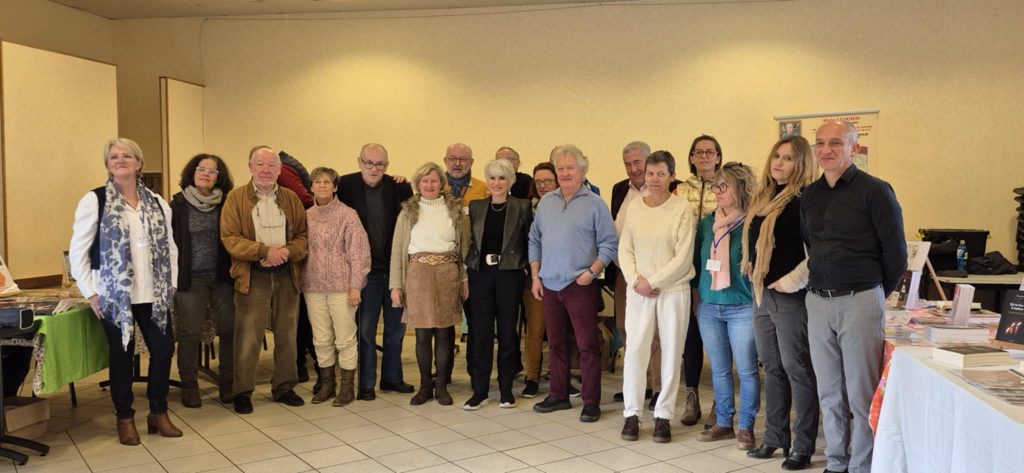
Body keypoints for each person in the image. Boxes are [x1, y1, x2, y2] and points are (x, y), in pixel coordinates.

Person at [801, 121, 907, 473]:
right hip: (817, 303)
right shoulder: (810, 196)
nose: (826, 149)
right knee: (829, 393)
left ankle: (861, 465)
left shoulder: (875, 191)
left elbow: (896, 254)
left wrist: (873, 294)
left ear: (853, 148)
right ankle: (836, 461)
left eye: (835, 143)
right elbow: (811, 247)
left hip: (860, 300)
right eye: (820, 143)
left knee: (861, 395)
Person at [69, 138, 180, 445]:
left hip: (153, 293)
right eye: (113, 157)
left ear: (138, 163)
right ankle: (125, 417)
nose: (119, 160)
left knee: (163, 350)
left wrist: (170, 285)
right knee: (122, 356)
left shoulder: (158, 202)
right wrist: (91, 293)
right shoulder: (95, 200)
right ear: (108, 165)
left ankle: (158, 412)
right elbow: (78, 250)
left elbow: (170, 248)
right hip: (114, 294)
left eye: (126, 156)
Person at [741, 136, 819, 470]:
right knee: (771, 368)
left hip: (791, 297)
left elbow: (818, 253)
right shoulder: (763, 197)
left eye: (787, 158)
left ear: (800, 164)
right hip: (761, 294)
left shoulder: (806, 201)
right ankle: (774, 438)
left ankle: (802, 446)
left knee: (797, 370)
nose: (779, 163)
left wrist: (790, 282)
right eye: (776, 156)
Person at [529, 144, 617, 423]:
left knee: (587, 345)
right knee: (555, 343)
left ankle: (591, 401)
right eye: (560, 168)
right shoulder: (546, 202)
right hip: (549, 285)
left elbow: (610, 244)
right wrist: (535, 275)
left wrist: (591, 272)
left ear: (582, 170)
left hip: (580, 285)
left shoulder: (595, 203)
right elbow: (534, 239)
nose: (565, 173)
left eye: (570, 167)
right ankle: (558, 394)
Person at [221, 145, 309, 415]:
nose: (266, 170)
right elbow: (230, 239)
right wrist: (264, 252)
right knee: (248, 337)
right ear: (250, 167)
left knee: (287, 334)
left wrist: (285, 252)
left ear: (280, 170)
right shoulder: (235, 199)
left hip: (286, 275)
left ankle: (284, 386)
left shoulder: (292, 198)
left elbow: (304, 237)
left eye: (271, 165)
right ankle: (243, 391)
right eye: (260, 164)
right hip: (252, 276)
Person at [618, 150, 696, 443]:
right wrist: (636, 281)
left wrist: (654, 280)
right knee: (635, 351)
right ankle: (632, 414)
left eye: (661, 173)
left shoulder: (681, 209)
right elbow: (625, 248)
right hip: (639, 290)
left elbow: (683, 255)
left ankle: (663, 415)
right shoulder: (636, 207)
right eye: (650, 173)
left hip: (672, 291)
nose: (653, 179)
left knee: (672, 352)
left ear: (671, 176)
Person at [337, 143, 415, 400]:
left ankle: (392, 379)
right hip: (364, 273)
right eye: (369, 163)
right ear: (359, 162)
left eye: (380, 164)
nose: (374, 168)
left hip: (394, 272)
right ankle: (366, 383)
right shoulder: (345, 185)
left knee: (396, 329)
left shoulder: (400, 186)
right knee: (366, 330)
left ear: (387, 166)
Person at [390, 162, 470, 406]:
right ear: (418, 183)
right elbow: (397, 250)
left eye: (434, 180)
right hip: (418, 275)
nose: (429, 185)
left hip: (448, 274)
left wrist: (465, 278)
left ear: (441, 183)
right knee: (423, 334)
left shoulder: (454, 209)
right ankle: (425, 385)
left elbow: (465, 246)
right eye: (425, 181)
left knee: (445, 333)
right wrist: (396, 285)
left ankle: (442, 385)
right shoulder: (408, 211)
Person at [693, 162, 759, 450]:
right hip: (710, 306)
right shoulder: (708, 222)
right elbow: (697, 263)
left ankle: (745, 425)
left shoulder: (753, 222)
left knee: (745, 370)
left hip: (742, 306)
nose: (717, 191)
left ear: (740, 189)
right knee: (719, 369)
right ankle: (723, 421)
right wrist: (698, 301)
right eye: (715, 186)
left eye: (724, 187)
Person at [610, 141, 681, 408]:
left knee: (657, 334)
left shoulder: (673, 189)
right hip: (627, 274)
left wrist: (653, 279)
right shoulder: (620, 190)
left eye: (638, 163)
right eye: (627, 163)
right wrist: (633, 276)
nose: (633, 169)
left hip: (660, 276)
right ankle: (637, 383)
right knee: (626, 328)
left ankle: (657, 388)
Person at [464, 159, 532, 410]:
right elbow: (471, 241)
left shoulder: (522, 206)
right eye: (492, 178)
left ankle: (505, 390)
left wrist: (522, 265)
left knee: (507, 333)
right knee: (480, 333)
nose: (496, 183)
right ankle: (480, 390)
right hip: (480, 275)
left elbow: (529, 241)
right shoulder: (476, 206)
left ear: (510, 181)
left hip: (509, 275)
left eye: (502, 178)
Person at [170, 153, 236, 408]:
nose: (206, 174)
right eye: (202, 169)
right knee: (190, 333)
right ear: (192, 172)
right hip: (191, 278)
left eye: (212, 171)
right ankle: (189, 385)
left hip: (222, 276)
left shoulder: (227, 203)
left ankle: (228, 382)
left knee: (229, 329)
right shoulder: (177, 204)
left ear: (219, 177)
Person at [302, 167, 371, 407]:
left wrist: (355, 287)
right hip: (313, 287)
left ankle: (347, 387)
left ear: (335, 187)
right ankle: (327, 384)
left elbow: (359, 253)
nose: (322, 185)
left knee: (345, 339)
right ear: (311, 186)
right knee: (321, 339)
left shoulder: (348, 215)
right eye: (317, 181)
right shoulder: (306, 216)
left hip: (342, 288)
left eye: (327, 182)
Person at [677, 134, 722, 428]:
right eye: (698, 152)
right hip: (686, 272)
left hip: (719, 273)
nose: (704, 156)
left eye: (710, 152)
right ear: (692, 157)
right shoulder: (679, 190)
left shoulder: (728, 186)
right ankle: (691, 396)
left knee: (720, 342)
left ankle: (721, 400)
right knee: (690, 337)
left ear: (718, 156)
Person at [275, 151, 319, 392]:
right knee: (300, 313)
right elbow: (305, 199)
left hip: (297, 254)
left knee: (301, 313)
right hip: (292, 256)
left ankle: (301, 362)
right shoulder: (284, 168)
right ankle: (300, 362)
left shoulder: (285, 169)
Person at [520, 162, 557, 399]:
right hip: (532, 276)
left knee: (558, 331)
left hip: (561, 276)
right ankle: (531, 376)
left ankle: (557, 375)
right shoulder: (525, 208)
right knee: (534, 329)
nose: (543, 186)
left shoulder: (566, 205)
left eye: (548, 181)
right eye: (539, 181)